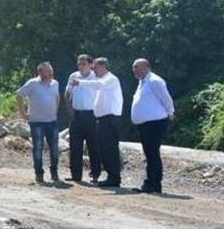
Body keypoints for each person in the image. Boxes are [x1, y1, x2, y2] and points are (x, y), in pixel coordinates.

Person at [70, 57, 123, 187]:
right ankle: (111, 177)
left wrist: (81, 83)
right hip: (102, 119)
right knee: (104, 149)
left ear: (103, 66)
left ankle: (114, 178)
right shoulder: (102, 80)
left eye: (95, 68)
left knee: (109, 149)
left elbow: (98, 85)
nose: (94, 71)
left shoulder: (111, 79)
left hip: (110, 119)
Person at [130, 59, 174, 194]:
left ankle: (153, 184)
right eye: (133, 67)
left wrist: (170, 112)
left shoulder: (155, 81)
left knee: (152, 153)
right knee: (150, 154)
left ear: (146, 67)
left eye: (137, 66)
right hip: (145, 124)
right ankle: (152, 183)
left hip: (155, 123)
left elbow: (166, 98)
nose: (134, 70)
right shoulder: (142, 82)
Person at [16, 61, 61, 184]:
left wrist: (55, 112)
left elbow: (57, 97)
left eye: (51, 70)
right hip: (37, 122)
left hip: (52, 121)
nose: (51, 73)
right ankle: (39, 174)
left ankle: (54, 173)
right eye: (48, 71)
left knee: (55, 148)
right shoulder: (32, 83)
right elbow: (19, 95)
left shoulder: (55, 83)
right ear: (40, 72)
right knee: (38, 148)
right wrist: (23, 114)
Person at [65, 54, 101, 183]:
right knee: (75, 146)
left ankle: (95, 174)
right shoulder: (73, 76)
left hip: (92, 115)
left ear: (91, 65)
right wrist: (70, 111)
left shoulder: (96, 77)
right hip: (76, 114)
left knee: (93, 146)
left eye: (83, 64)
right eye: (79, 64)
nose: (81, 66)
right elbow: (67, 93)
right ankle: (76, 175)